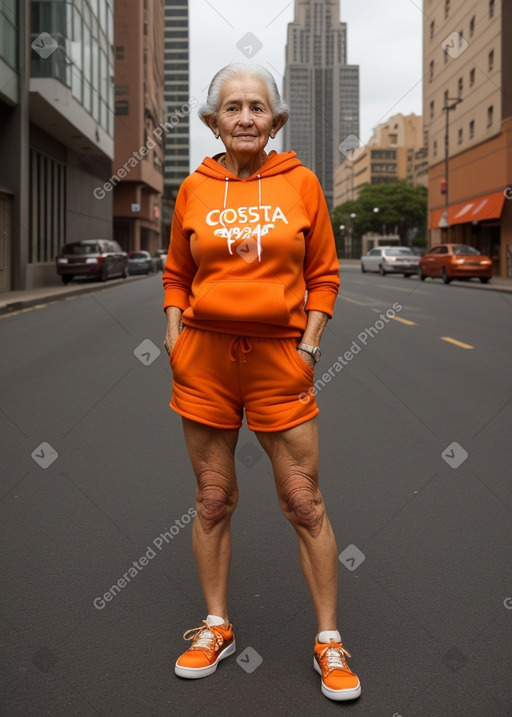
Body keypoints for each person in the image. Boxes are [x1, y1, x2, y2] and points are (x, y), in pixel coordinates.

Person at [162, 62, 361, 702]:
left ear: (274, 119)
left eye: (256, 107)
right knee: (213, 498)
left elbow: (325, 275)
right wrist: (174, 333)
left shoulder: (301, 184)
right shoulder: (193, 188)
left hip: (280, 360)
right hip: (206, 361)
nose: (244, 117)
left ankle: (329, 640)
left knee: (304, 502)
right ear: (213, 121)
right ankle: (216, 625)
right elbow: (175, 273)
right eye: (231, 107)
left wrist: (309, 346)